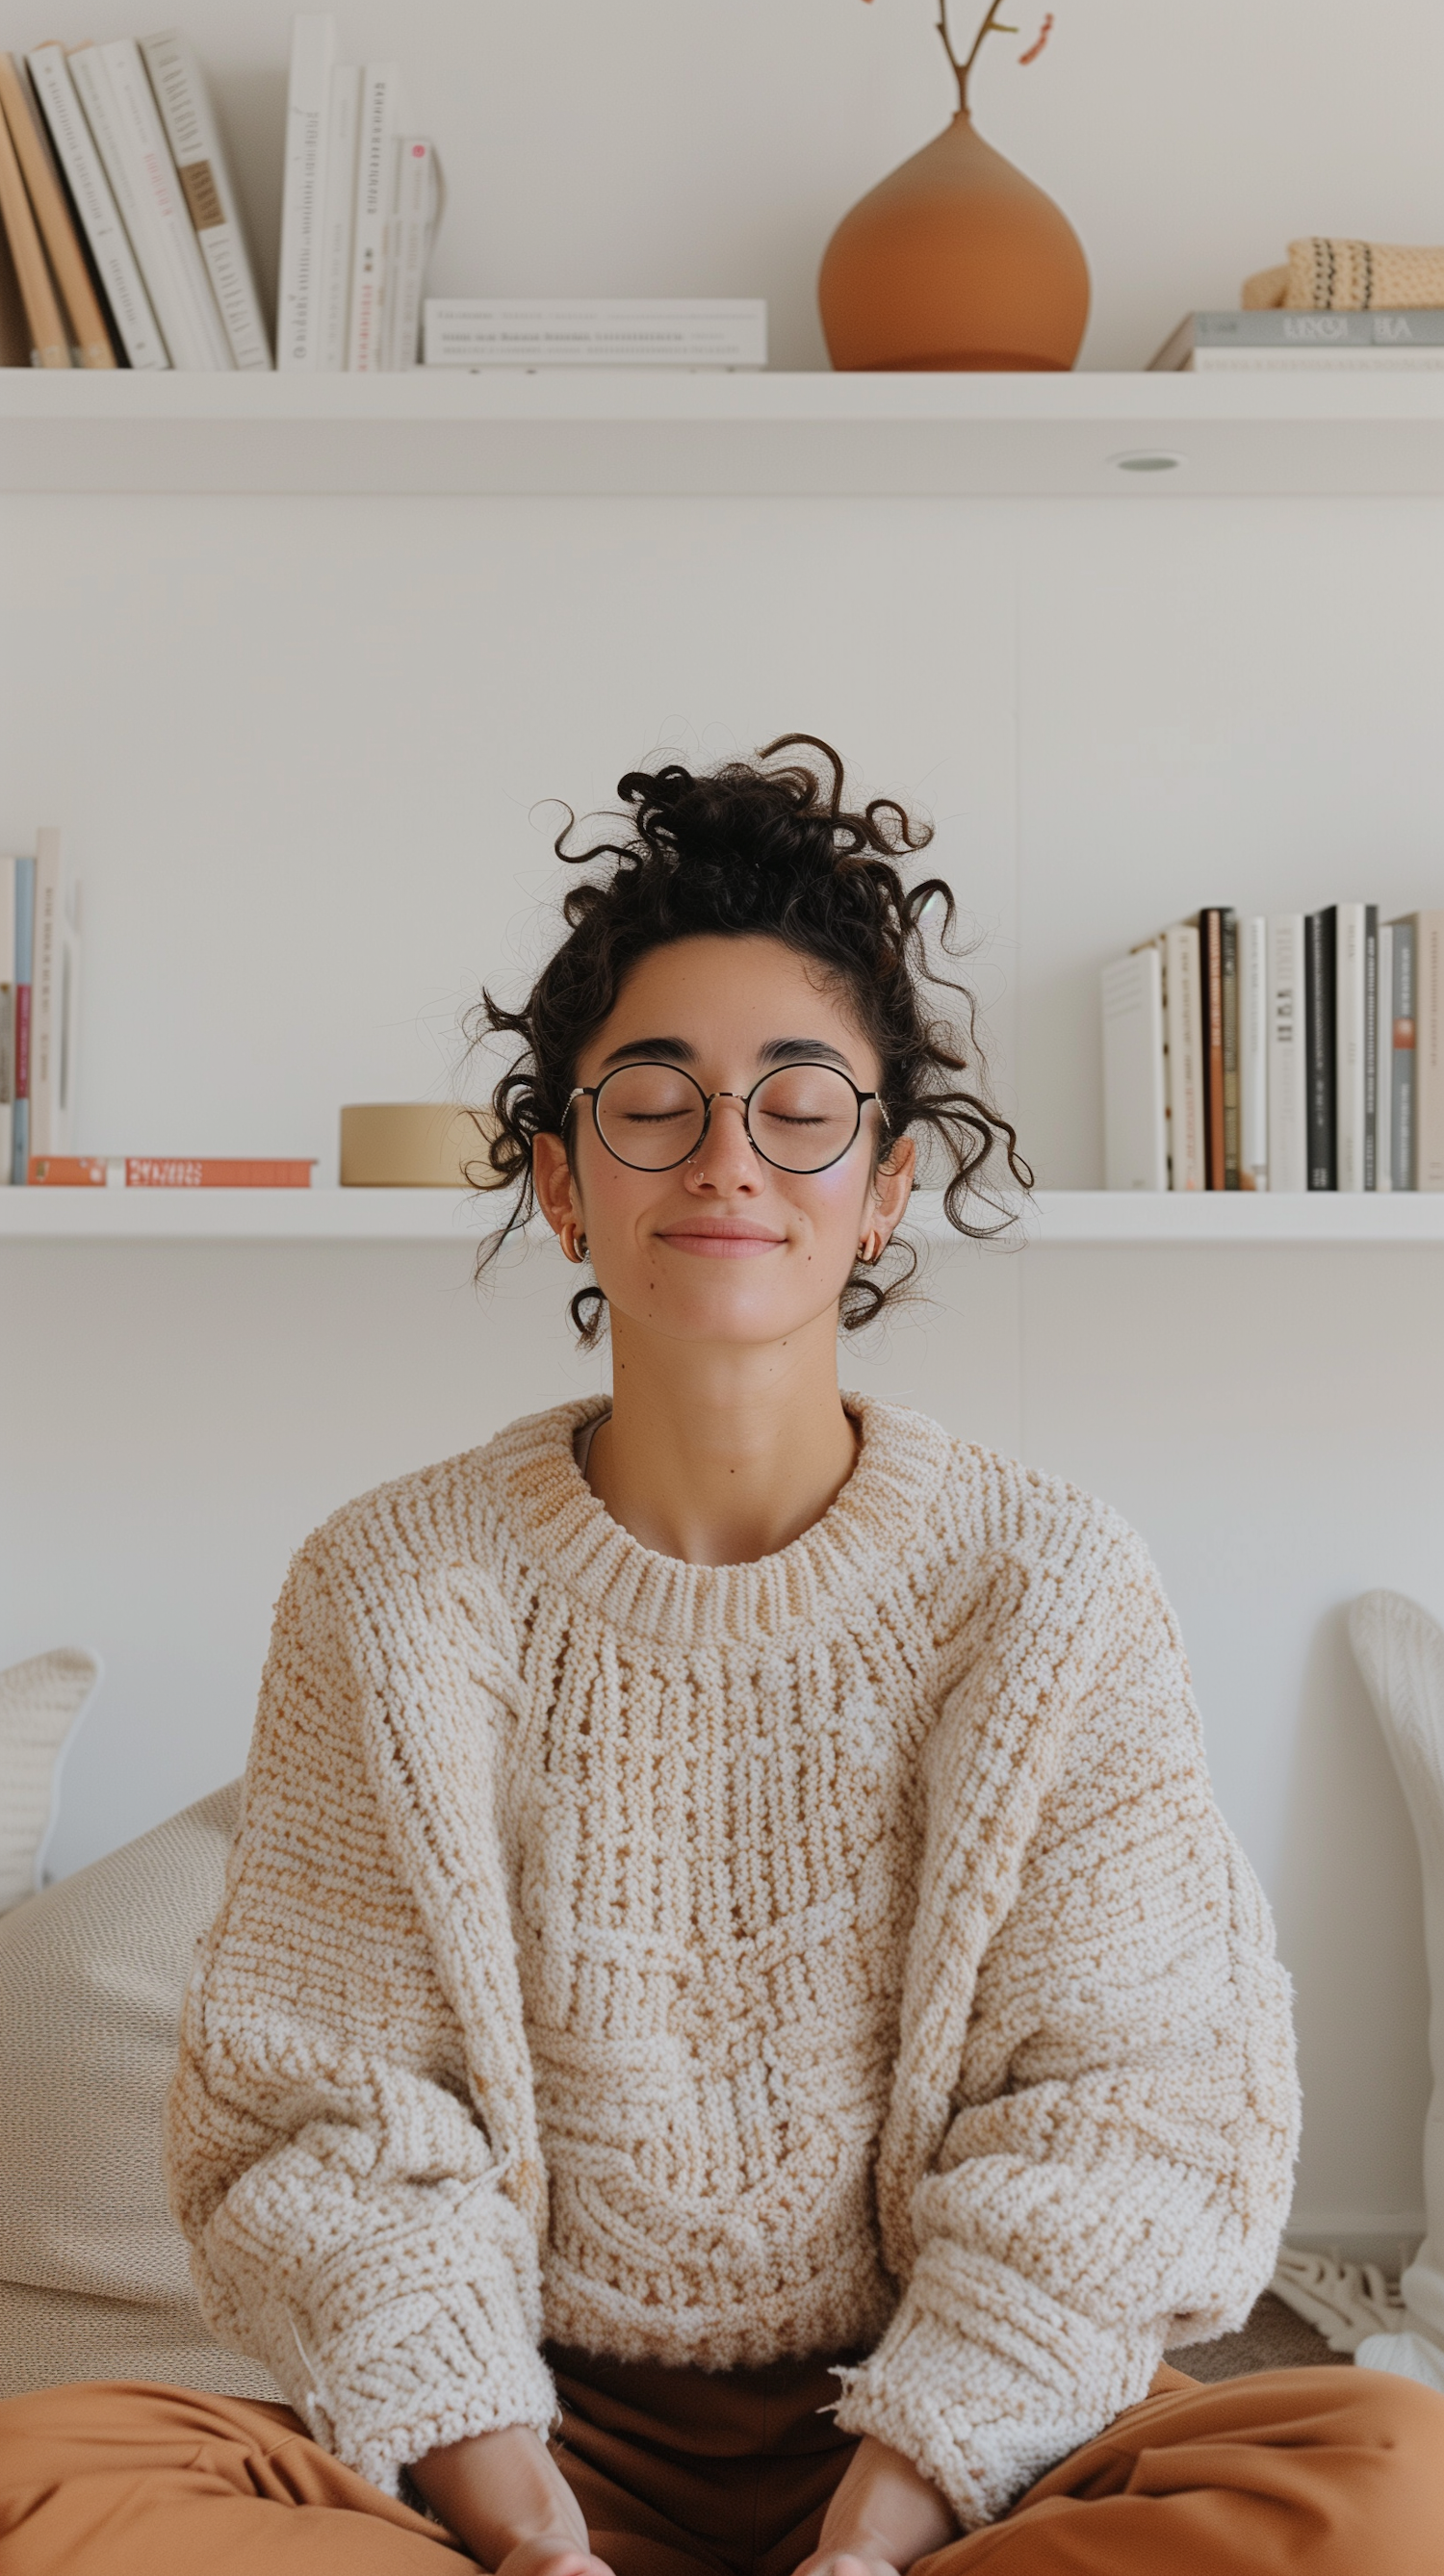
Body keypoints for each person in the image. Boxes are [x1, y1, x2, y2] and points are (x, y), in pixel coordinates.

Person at [2, 739, 1440, 2576]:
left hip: (962, 2451)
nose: (729, 1161)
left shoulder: (1049, 1585)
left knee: (1398, 2475)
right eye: (654, 1100)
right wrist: (523, 2530)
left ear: (892, 1180)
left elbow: (1128, 2120)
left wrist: (873, 2534)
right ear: (558, 1178)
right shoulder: (391, 1588)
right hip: (505, 2437)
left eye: (800, 1103)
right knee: (39, 2484)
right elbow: (326, 2127)